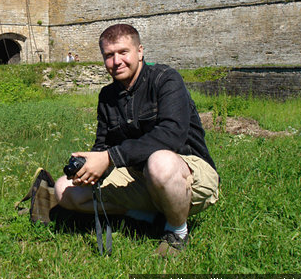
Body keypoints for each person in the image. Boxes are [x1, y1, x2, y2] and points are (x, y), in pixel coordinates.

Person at [54, 24, 219, 258]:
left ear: (140, 51)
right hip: (138, 175)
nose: (116, 61)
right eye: (109, 55)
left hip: (187, 171)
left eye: (123, 52)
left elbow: (172, 134)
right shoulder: (107, 96)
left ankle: (177, 232)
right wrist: (89, 165)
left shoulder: (166, 79)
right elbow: (104, 144)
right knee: (63, 190)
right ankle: (148, 216)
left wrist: (110, 158)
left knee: (160, 162)